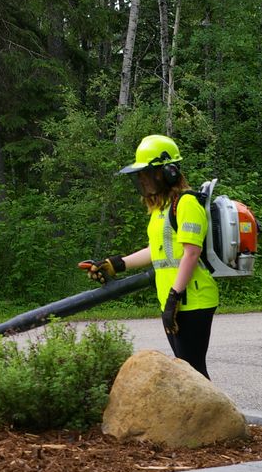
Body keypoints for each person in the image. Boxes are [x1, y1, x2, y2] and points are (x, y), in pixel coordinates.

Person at [80, 134, 218, 379]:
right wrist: (115, 264)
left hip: (193, 301)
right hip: (173, 301)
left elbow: (192, 252)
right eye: (140, 175)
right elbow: (157, 250)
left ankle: (214, 417)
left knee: (193, 373)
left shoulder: (186, 204)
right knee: (185, 373)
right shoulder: (161, 209)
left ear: (168, 172)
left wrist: (175, 297)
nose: (142, 180)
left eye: (146, 173)